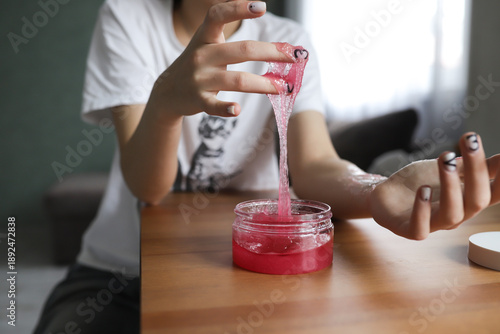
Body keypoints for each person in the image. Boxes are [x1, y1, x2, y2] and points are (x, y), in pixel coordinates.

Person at [34, 0, 500, 333]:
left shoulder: (291, 41)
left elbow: (314, 164)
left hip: (249, 268)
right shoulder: (128, 16)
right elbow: (149, 188)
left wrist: (375, 191)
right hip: (116, 273)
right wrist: (164, 103)